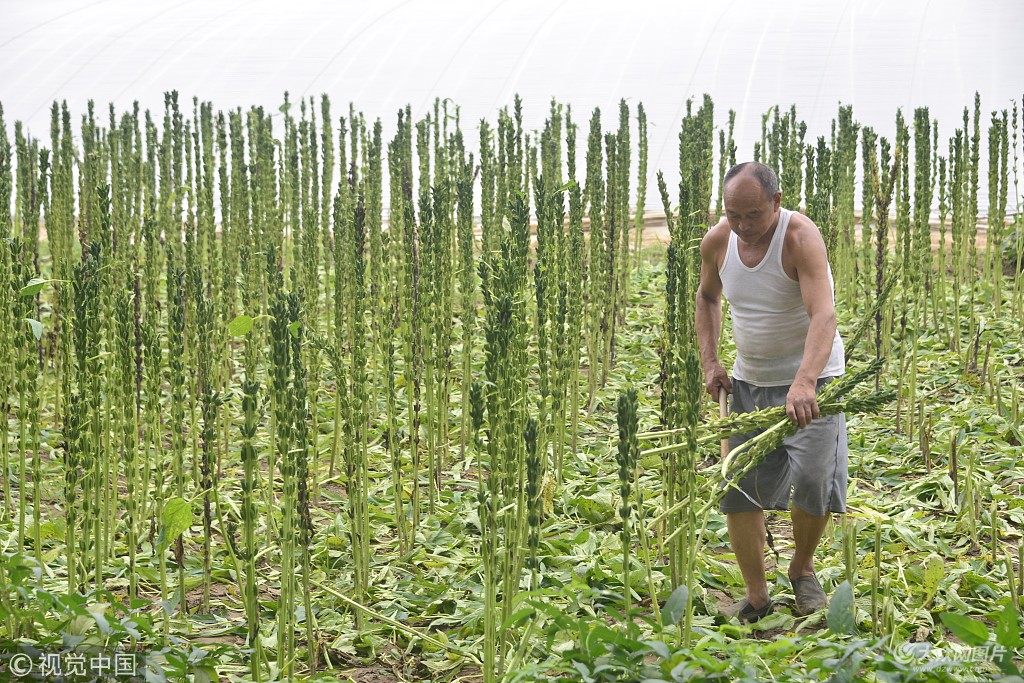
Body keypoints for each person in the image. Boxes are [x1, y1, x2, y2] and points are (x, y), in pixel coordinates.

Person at [695, 161, 847, 623]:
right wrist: (711, 361)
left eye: (753, 216)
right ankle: (757, 596)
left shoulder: (800, 237)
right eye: (733, 215)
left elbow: (824, 314)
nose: (742, 226)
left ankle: (802, 571)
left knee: (816, 483)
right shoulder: (719, 241)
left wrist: (804, 381)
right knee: (738, 488)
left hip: (812, 382)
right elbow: (707, 297)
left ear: (776, 203)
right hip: (748, 384)